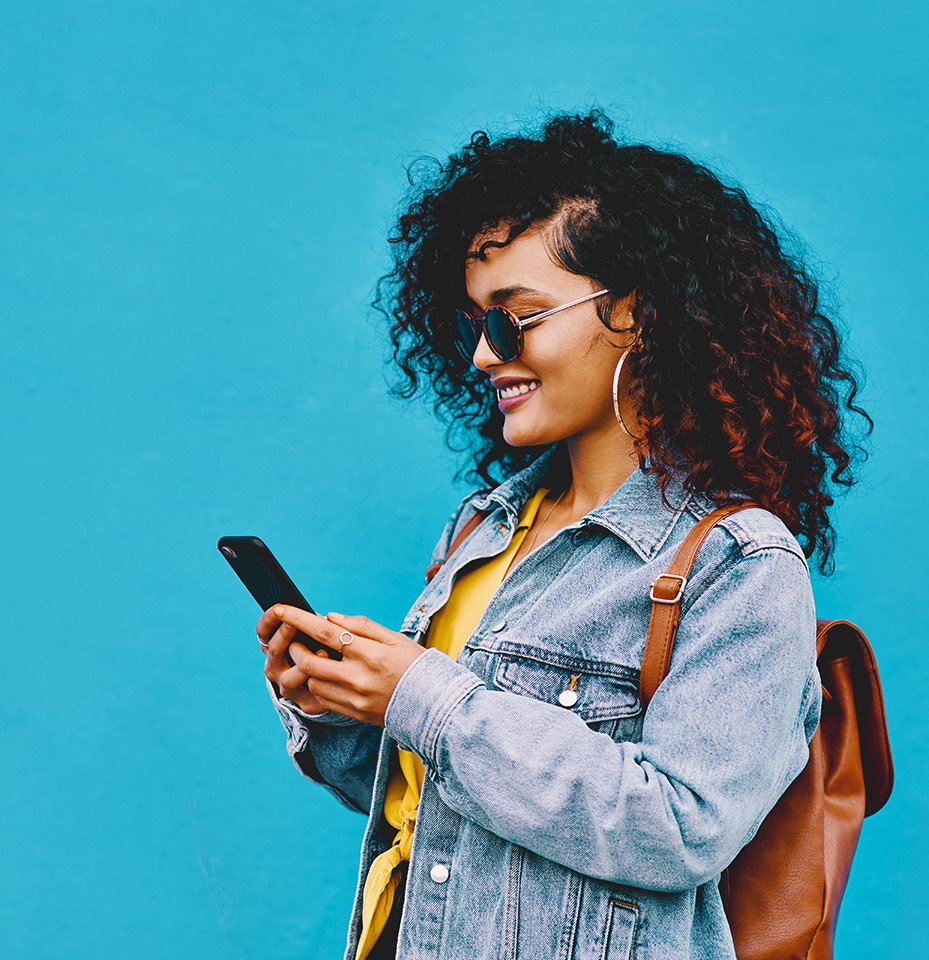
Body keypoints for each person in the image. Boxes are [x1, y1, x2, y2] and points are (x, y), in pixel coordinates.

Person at [254, 109, 871, 960]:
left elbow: (680, 828)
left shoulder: (739, 565)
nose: (483, 354)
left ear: (637, 313)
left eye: (514, 318)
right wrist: (342, 708)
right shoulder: (482, 532)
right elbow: (443, 804)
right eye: (475, 323)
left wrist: (424, 696)